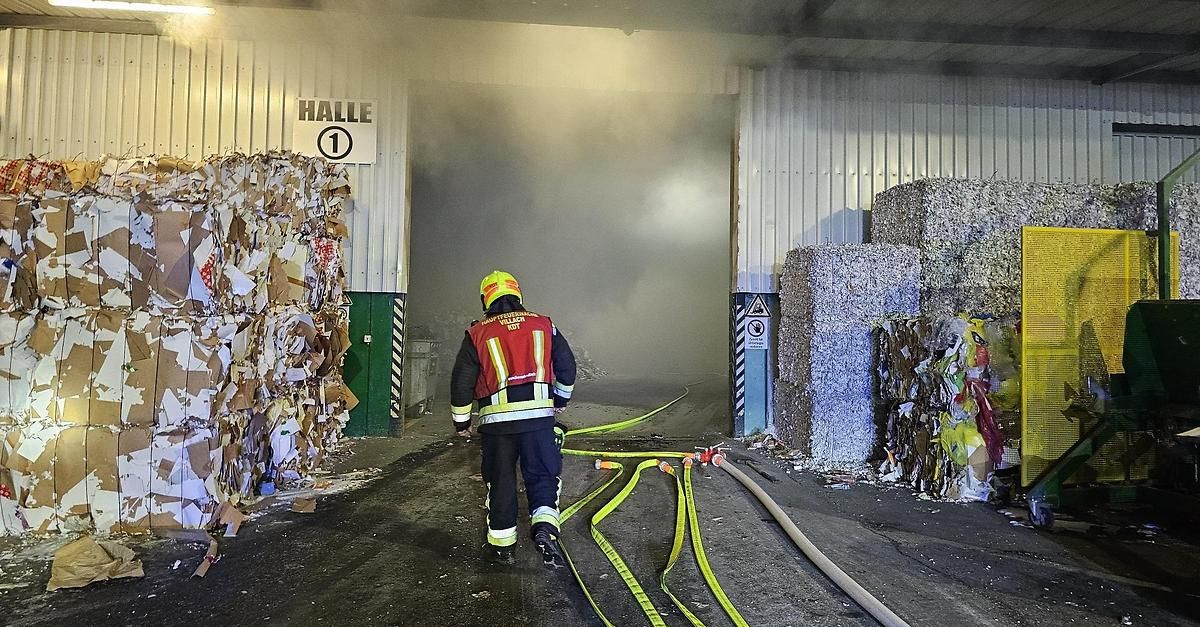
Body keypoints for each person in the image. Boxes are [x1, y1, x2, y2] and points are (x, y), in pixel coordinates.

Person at [450, 270, 577, 568]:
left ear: (486, 299)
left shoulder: (478, 333)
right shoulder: (544, 324)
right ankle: (545, 530)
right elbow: (567, 365)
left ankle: (502, 548)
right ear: (518, 295)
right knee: (542, 476)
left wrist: (462, 421)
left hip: (497, 427)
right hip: (538, 422)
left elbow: (461, 381)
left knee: (501, 481)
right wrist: (559, 399)